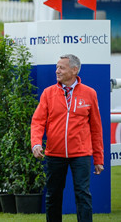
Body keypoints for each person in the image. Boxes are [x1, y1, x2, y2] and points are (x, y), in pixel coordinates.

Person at [31, 54, 104, 221]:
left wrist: (98, 158)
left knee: (83, 195)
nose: (57, 71)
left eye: (61, 68)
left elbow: (96, 128)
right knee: (53, 196)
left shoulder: (89, 93)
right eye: (57, 67)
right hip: (54, 154)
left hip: (81, 154)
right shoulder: (48, 93)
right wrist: (36, 143)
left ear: (74, 70)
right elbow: (37, 122)